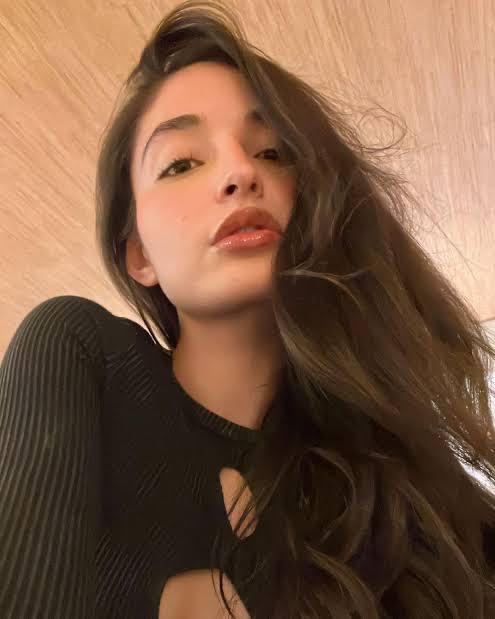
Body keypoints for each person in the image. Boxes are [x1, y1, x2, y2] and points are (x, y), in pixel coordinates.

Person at [2, 1, 495, 617]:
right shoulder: (81, 357)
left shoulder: (401, 483)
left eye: (272, 152)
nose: (239, 172)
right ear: (139, 256)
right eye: (182, 163)